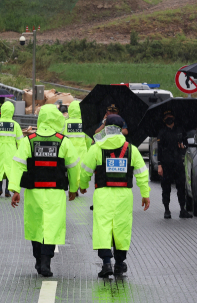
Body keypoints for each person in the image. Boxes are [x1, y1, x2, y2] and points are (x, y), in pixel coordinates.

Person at [9, 104, 80, 277]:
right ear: (57, 119)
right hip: (56, 192)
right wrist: (74, 188)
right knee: (51, 227)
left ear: (40, 120)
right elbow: (74, 167)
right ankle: (46, 262)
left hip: (34, 192)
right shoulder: (64, 142)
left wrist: (15, 189)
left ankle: (38, 260)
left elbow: (17, 165)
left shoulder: (29, 140)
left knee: (36, 227)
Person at [79, 115, 150, 278]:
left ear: (105, 127)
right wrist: (145, 194)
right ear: (120, 129)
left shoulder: (96, 148)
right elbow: (141, 173)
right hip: (124, 195)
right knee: (122, 228)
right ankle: (119, 263)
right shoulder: (131, 149)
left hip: (103, 194)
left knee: (103, 227)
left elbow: (85, 170)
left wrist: (82, 186)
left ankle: (106, 264)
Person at [157, 109, 191, 219]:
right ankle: (167, 210)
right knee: (166, 187)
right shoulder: (161, 132)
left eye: (170, 116)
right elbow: (159, 150)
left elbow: (186, 144)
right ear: (163, 119)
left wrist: (182, 147)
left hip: (178, 163)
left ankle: (182, 209)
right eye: (166, 117)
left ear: (174, 117)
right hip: (166, 164)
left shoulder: (180, 130)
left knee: (181, 187)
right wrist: (159, 165)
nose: (168, 118)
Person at [0, 101, 23, 197]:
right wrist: (21, 152)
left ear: (2, 111)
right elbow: (20, 140)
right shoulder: (15, 125)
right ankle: (7, 191)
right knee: (10, 170)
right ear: (12, 111)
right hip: (11, 150)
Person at [64, 101, 93, 193]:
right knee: (81, 170)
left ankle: (73, 188)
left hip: (69, 151)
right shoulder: (85, 124)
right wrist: (88, 149)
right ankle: (81, 185)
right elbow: (88, 139)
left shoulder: (65, 123)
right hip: (82, 151)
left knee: (71, 169)